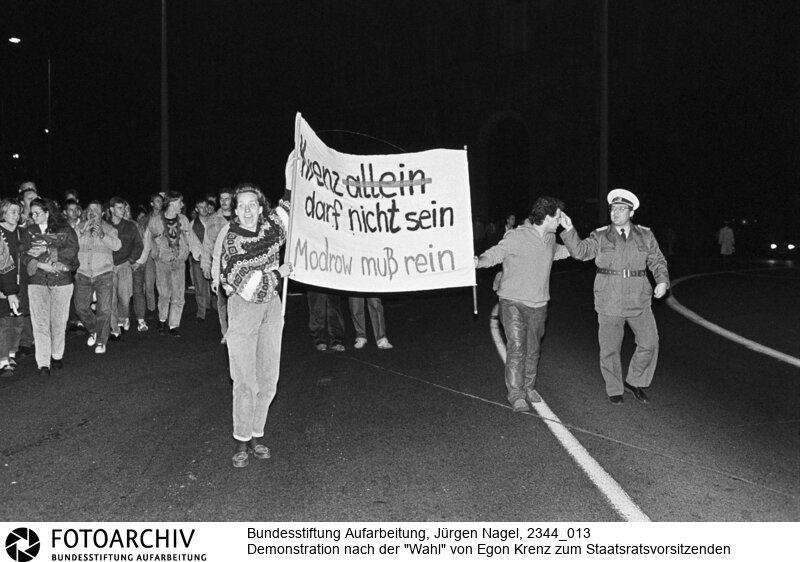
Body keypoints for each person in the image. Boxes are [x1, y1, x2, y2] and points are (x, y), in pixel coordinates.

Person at [559, 188, 670, 405]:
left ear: (631, 213)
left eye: (621, 209)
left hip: (639, 298)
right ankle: (614, 387)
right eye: (613, 209)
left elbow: (657, 260)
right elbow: (580, 252)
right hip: (609, 298)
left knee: (649, 342)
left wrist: (663, 281)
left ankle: (635, 380)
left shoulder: (645, 235)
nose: (615, 212)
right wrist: (569, 229)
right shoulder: (600, 236)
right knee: (610, 348)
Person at [213, 182, 291, 469]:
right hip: (244, 308)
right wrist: (278, 274)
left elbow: (287, 208)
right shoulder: (232, 240)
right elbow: (248, 286)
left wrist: (291, 170)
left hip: (271, 308)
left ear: (260, 208)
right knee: (245, 380)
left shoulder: (270, 229)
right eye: (241, 205)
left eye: (252, 204)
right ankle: (241, 439)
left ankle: (257, 434)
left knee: (269, 377)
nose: (246, 210)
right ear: (235, 210)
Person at [475, 196, 570, 412]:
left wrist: (583, 246)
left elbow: (567, 251)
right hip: (513, 302)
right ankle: (516, 394)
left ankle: (529, 386)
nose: (559, 221)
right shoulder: (516, 236)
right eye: (558, 217)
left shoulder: (550, 239)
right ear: (547, 217)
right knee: (517, 347)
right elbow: (496, 253)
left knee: (534, 348)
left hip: (539, 304)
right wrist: (478, 261)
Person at [24, 198, 79, 376]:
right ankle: (43, 363)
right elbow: (23, 253)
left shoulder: (64, 230)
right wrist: (41, 264)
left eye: (37, 213)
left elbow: (72, 249)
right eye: (32, 213)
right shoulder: (29, 231)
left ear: (47, 212)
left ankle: (56, 355)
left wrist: (50, 256)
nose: (34, 216)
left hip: (61, 280)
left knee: (58, 321)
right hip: (38, 281)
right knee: (39, 322)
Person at [73, 201, 121, 354]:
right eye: (90, 209)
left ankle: (101, 340)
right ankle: (94, 329)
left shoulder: (110, 229)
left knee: (104, 310)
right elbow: (69, 244)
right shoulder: (79, 228)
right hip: (83, 274)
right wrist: (81, 232)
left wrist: (101, 234)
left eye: (96, 209)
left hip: (104, 273)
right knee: (80, 308)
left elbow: (117, 246)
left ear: (102, 213)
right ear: (86, 213)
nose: (92, 211)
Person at [145, 191, 191, 336]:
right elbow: (147, 239)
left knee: (178, 294)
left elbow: (191, 237)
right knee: (164, 293)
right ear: (171, 203)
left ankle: (174, 325)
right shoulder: (156, 221)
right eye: (179, 202)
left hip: (179, 261)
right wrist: (145, 257)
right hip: (162, 262)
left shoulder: (183, 219)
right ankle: (162, 319)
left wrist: (197, 252)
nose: (182, 205)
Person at [202, 187, 234, 344]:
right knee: (222, 302)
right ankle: (226, 332)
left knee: (237, 302)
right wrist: (206, 265)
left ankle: (237, 331)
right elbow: (207, 245)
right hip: (220, 266)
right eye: (222, 199)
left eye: (227, 198)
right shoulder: (213, 220)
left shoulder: (241, 215)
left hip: (238, 266)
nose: (224, 202)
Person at [108, 197, 144, 337]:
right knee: (111, 298)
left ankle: (123, 318)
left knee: (124, 297)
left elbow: (139, 245)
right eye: (119, 208)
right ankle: (115, 324)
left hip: (124, 264)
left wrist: (130, 260)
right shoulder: (105, 225)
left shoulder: (130, 226)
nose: (122, 211)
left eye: (123, 208)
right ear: (111, 209)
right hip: (109, 266)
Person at [0, 199, 27, 377]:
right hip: (3, 286)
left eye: (18, 212)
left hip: (21, 284)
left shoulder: (22, 233)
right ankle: (2, 360)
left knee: (18, 320)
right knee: (4, 321)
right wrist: (8, 292)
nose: (16, 216)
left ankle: (11, 353)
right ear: (3, 213)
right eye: (12, 212)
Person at [188, 199, 212, 321]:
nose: (204, 209)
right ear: (196, 209)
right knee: (199, 286)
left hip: (213, 258)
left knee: (215, 284)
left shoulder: (214, 222)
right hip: (198, 258)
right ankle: (201, 312)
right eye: (200, 207)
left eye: (205, 206)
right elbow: (191, 243)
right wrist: (200, 255)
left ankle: (215, 308)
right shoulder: (192, 225)